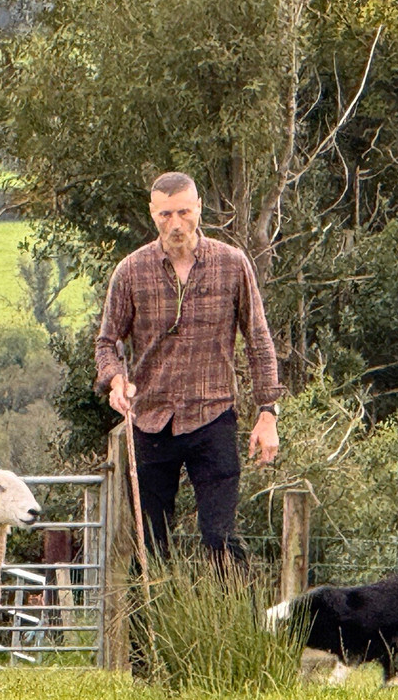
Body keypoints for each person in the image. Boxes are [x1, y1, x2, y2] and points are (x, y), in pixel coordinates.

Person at [95, 171, 284, 565]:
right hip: (150, 421)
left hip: (213, 417)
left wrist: (267, 413)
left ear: (199, 208)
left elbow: (259, 340)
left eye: (184, 212)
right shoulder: (130, 271)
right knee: (149, 547)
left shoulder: (232, 265)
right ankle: (153, 627)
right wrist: (115, 379)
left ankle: (233, 624)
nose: (176, 224)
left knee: (221, 540)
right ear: (152, 214)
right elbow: (107, 341)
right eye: (166, 215)